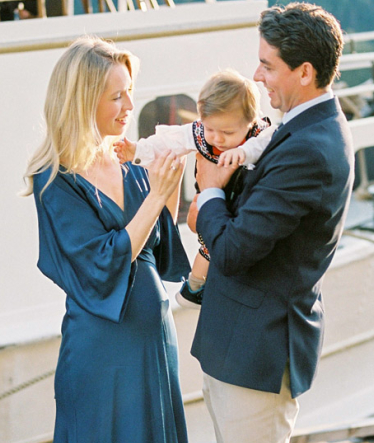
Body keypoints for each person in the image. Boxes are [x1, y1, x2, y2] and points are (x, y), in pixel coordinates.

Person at [192, 2, 354, 443]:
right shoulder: (297, 131)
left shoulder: (312, 148)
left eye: (267, 66)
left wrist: (205, 191)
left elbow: (234, 250)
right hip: (241, 343)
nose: (257, 76)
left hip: (262, 351)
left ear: (305, 72)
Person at [24, 35, 204, 443]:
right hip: (95, 356)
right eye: (116, 97)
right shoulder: (55, 183)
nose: (129, 107)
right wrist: (155, 198)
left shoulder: (134, 168)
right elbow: (100, 265)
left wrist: (173, 190)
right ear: (82, 100)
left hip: (151, 350)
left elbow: (166, 262)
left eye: (130, 93)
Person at [115, 70, 274, 307]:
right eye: (210, 129)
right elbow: (168, 143)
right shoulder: (198, 133)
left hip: (241, 207)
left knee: (225, 245)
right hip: (214, 206)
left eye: (228, 132)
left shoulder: (259, 135)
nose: (217, 139)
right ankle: (194, 287)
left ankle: (202, 286)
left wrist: (243, 151)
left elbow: (264, 144)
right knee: (209, 246)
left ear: (250, 122)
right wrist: (136, 151)